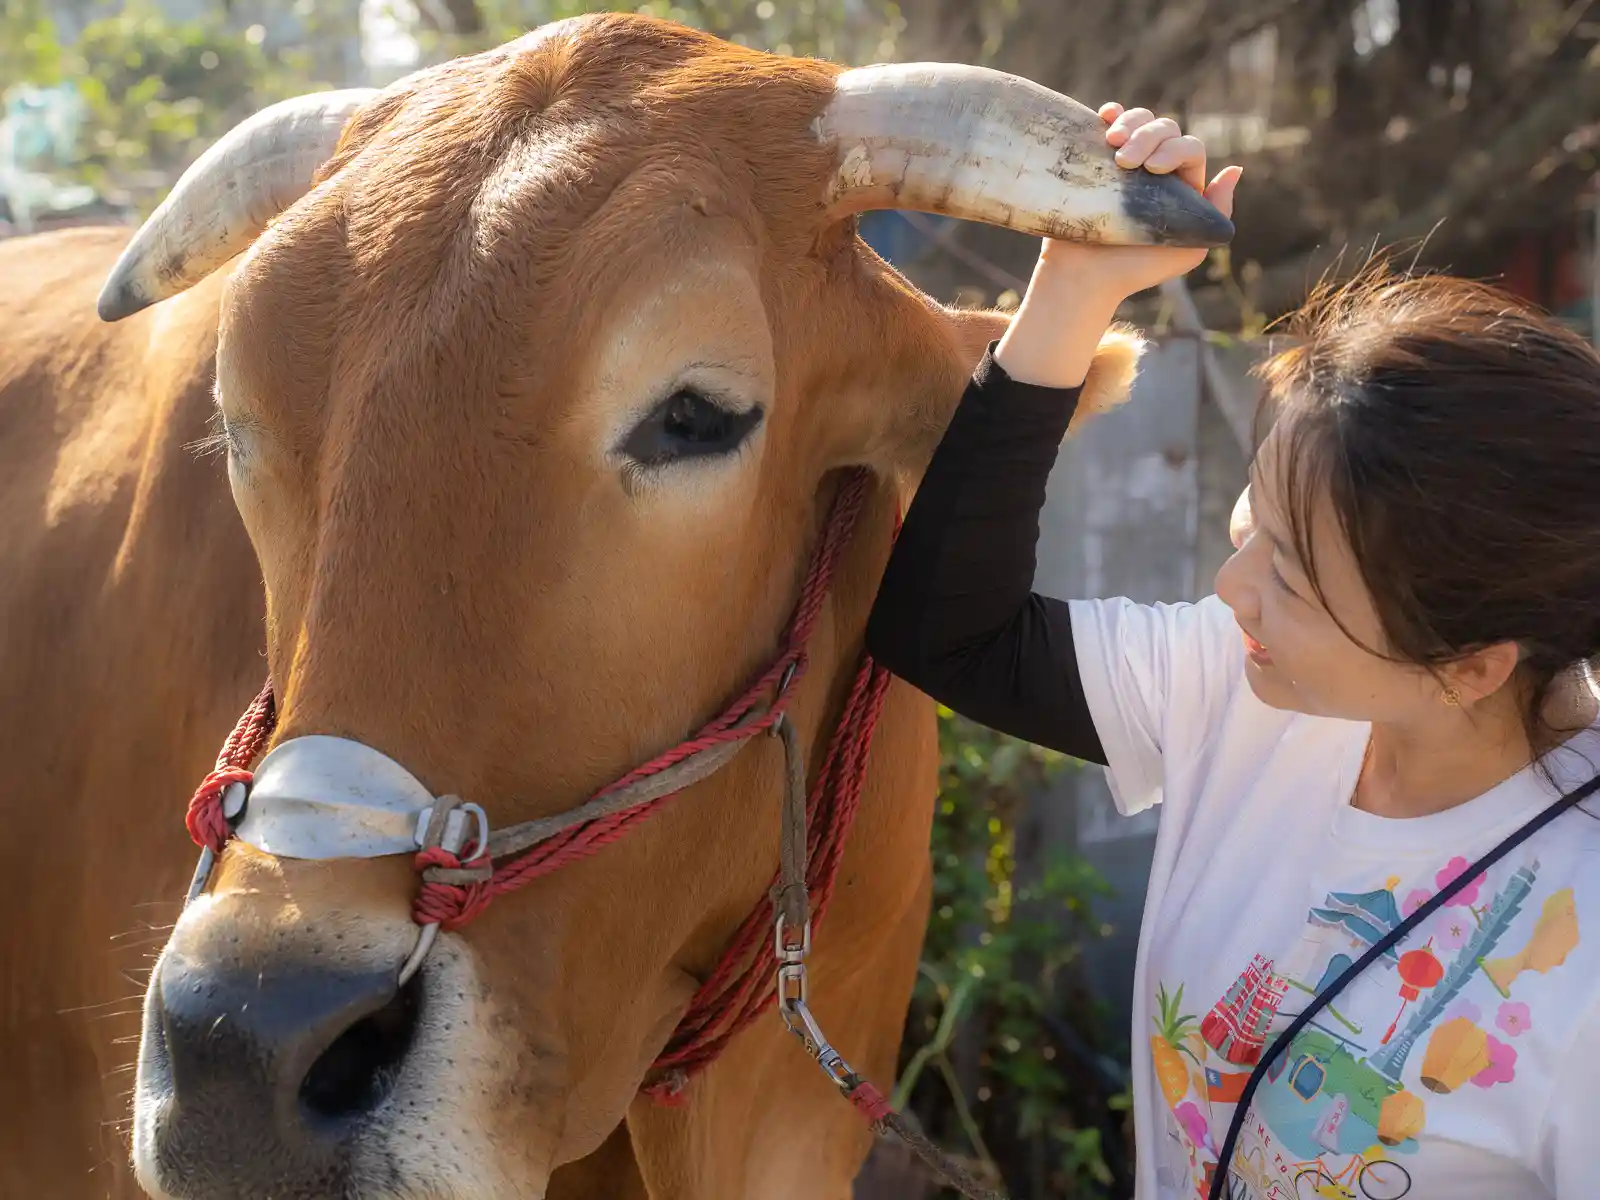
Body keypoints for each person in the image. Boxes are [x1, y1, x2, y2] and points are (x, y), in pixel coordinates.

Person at [866, 103, 1600, 1200]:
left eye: (1290, 582)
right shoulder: (1248, 684)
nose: (1227, 591)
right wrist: (1073, 289)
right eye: (1246, 529)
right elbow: (948, 630)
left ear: (1470, 665)